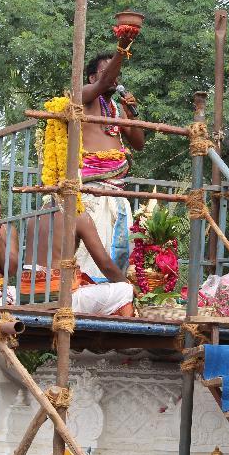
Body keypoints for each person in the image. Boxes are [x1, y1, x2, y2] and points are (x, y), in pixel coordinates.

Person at [74, 45, 146, 281]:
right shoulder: (82, 96)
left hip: (116, 193)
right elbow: (102, 84)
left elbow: (138, 143)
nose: (114, 79)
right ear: (93, 77)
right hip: (91, 193)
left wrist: (131, 114)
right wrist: (122, 48)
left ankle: (115, 296)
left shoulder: (115, 108)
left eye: (117, 75)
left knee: (118, 251)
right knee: (93, 256)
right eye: (107, 73)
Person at [16, 201, 134, 317]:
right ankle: (122, 334)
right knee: (124, 291)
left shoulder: (36, 215)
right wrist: (127, 283)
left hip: (26, 294)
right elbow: (105, 265)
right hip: (59, 298)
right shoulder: (77, 215)